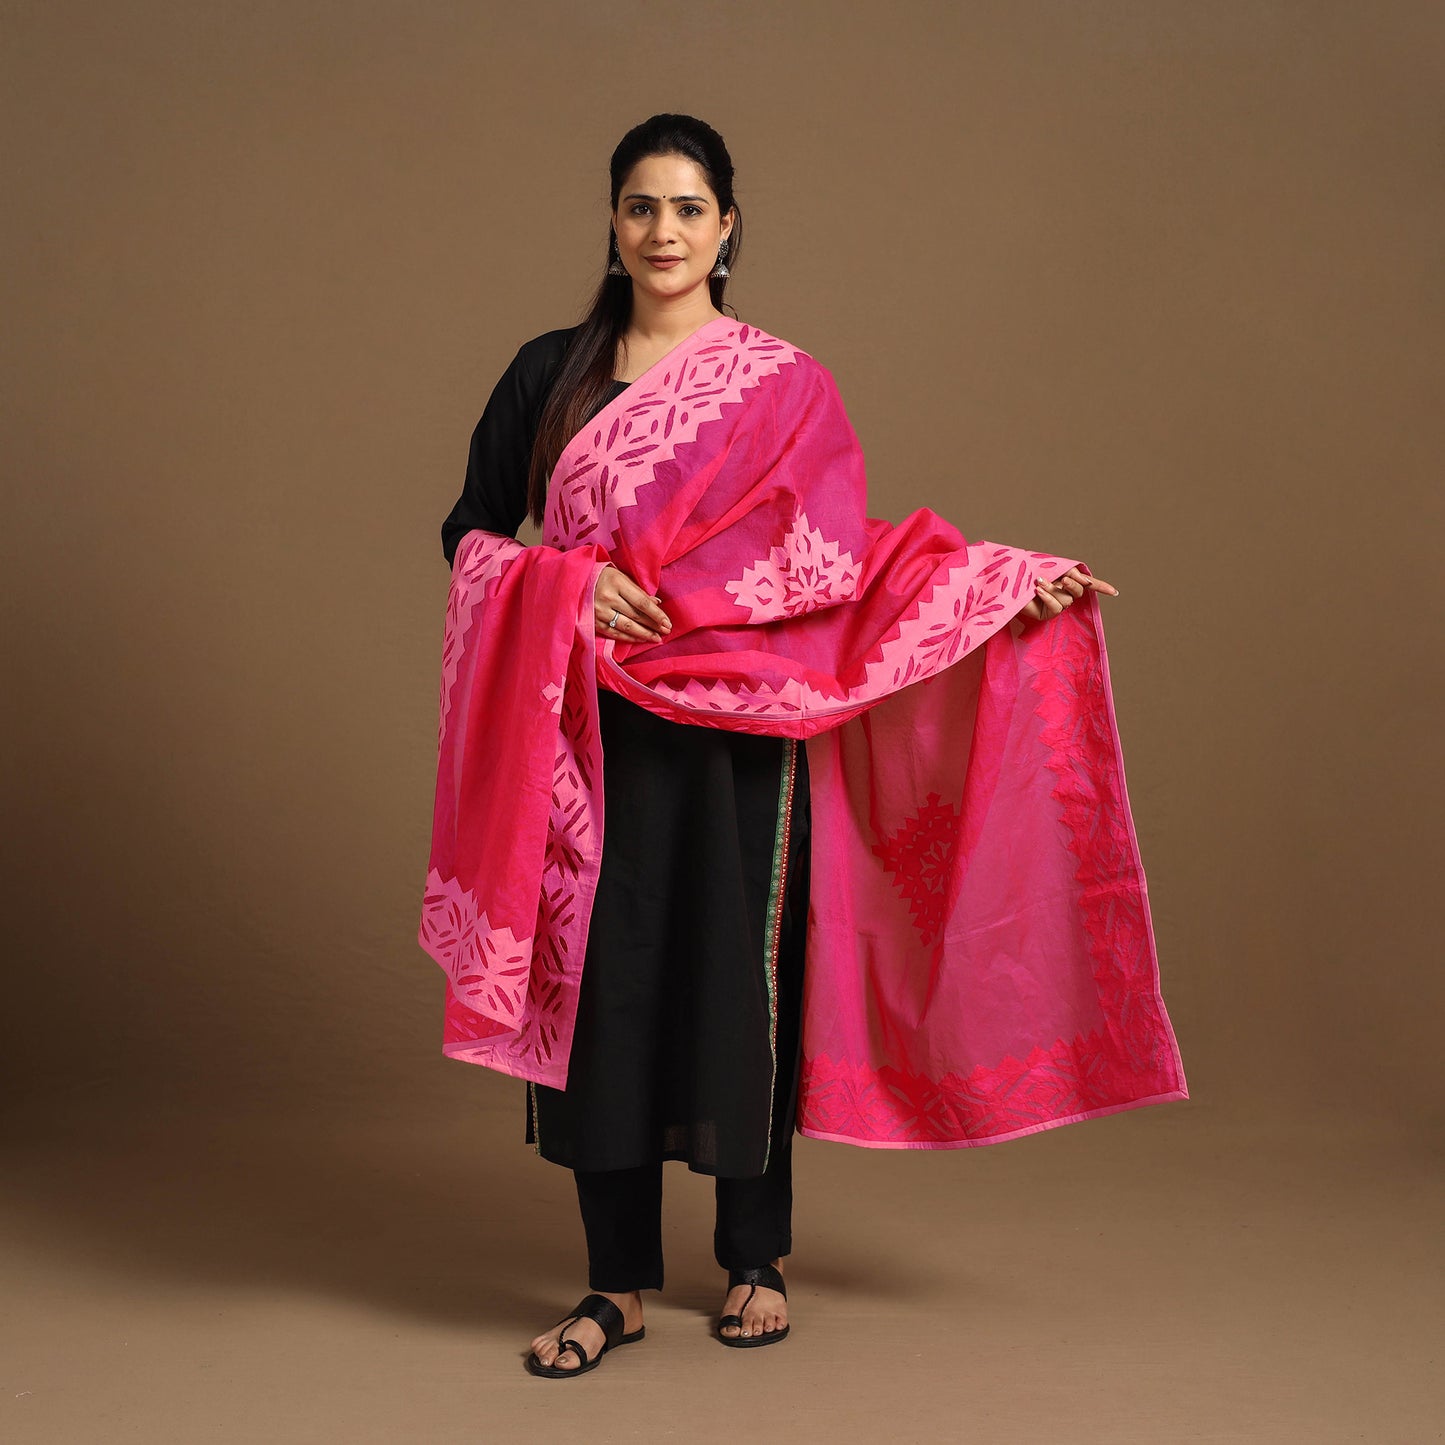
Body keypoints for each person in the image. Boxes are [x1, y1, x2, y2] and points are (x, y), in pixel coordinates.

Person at [431, 113, 1158, 1380]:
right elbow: (470, 536)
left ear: (727, 225)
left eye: (687, 208)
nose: (662, 231)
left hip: (742, 740)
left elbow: (832, 559)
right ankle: (612, 1286)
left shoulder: (779, 385)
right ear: (612, 224)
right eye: (640, 206)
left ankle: (754, 1259)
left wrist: (996, 583)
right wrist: (566, 583)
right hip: (590, 738)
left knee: (741, 985)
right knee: (601, 999)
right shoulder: (550, 374)